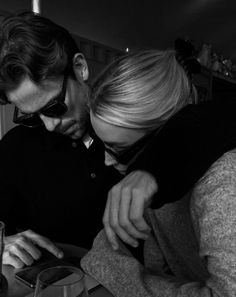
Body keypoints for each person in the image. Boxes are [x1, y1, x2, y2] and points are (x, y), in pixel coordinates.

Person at [79, 48, 236, 295]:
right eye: (102, 146)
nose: (107, 162)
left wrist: (129, 279)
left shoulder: (224, 183)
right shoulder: (150, 182)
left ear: (167, 133)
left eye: (120, 150)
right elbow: (111, 251)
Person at [0, 11, 122, 268]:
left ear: (80, 68)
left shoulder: (131, 127)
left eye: (55, 107)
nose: (50, 125)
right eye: (32, 117)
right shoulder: (15, 147)